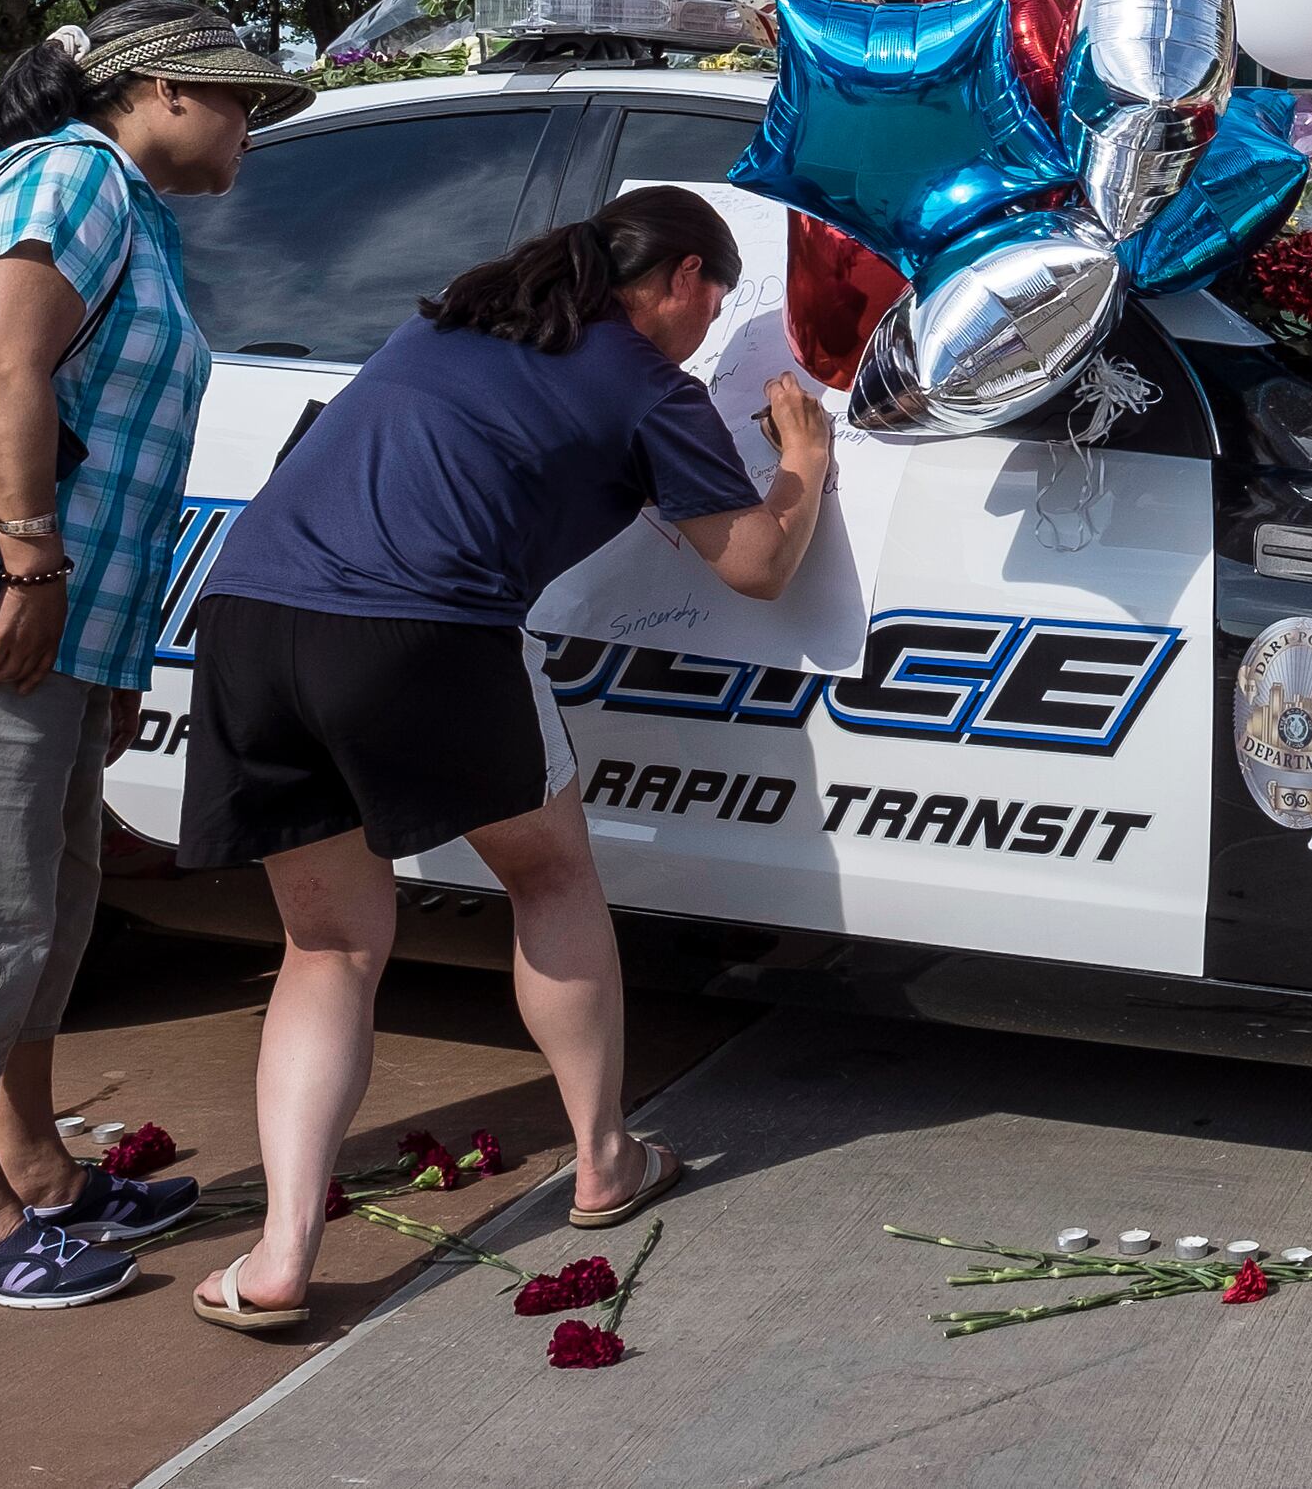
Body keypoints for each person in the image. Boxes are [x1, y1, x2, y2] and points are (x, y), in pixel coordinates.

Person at [175, 188, 834, 1334]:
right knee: (549, 873)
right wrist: (805, 461)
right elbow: (758, 565)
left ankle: (279, 1257)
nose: (710, 328)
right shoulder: (642, 381)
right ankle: (603, 1159)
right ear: (682, 277)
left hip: (248, 617)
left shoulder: (449, 323)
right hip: (420, 633)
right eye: (716, 303)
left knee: (328, 944)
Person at [0, 0, 310, 1311]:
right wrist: (27, 556)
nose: (252, 126)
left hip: (64, 625)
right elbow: (0, 366)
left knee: (49, 898)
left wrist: (113, 647)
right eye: (240, 98)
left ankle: (37, 1170)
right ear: (164, 85)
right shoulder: (76, 175)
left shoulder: (133, 212)